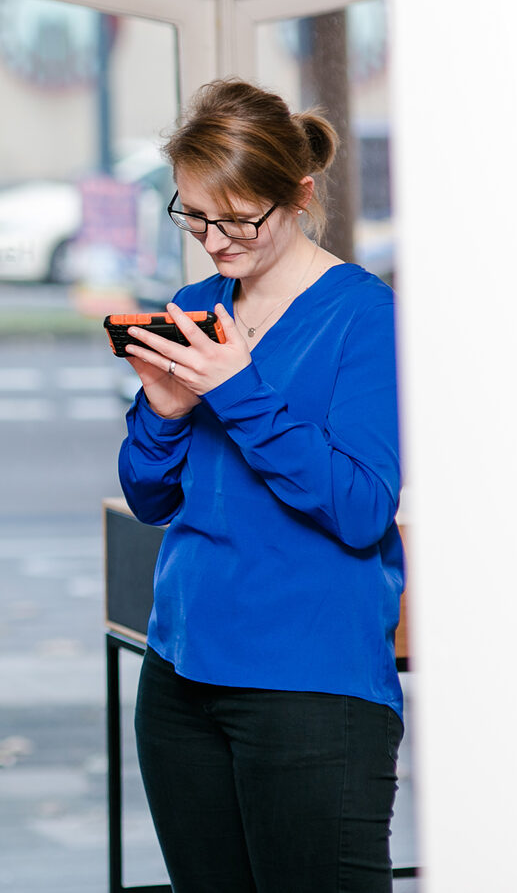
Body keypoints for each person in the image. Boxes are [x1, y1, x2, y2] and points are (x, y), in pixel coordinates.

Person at [116, 79, 403, 892]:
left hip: (311, 681)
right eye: (195, 216)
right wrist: (166, 412)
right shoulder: (197, 305)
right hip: (179, 673)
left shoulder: (365, 315)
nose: (214, 240)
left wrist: (236, 389)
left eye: (239, 219)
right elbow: (150, 497)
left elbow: (359, 507)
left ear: (299, 195)